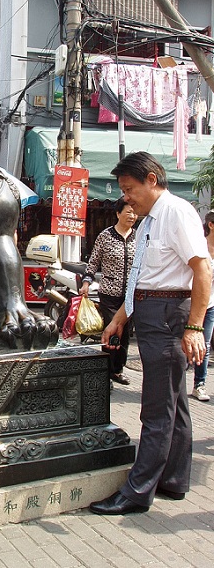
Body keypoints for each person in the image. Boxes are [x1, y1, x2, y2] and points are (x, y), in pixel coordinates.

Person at [89, 151, 211, 515]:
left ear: (152, 180)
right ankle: (173, 479)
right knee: (175, 403)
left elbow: (202, 270)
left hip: (169, 316)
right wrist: (119, 320)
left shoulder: (176, 213)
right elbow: (143, 281)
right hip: (152, 310)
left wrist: (194, 326)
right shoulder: (148, 221)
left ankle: (137, 492)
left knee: (157, 409)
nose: (126, 197)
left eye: (130, 189)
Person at [80, 197, 137, 386]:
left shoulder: (139, 236)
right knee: (112, 331)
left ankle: (117, 370)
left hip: (130, 295)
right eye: (128, 212)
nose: (132, 216)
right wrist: (87, 282)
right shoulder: (105, 236)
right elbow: (94, 262)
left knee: (125, 334)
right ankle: (105, 371)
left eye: (134, 213)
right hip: (109, 294)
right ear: (118, 213)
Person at [191, 210, 214, 401]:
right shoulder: (198, 247)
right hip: (191, 304)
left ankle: (200, 383)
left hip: (211, 305)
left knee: (204, 345)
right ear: (211, 225)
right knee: (185, 345)